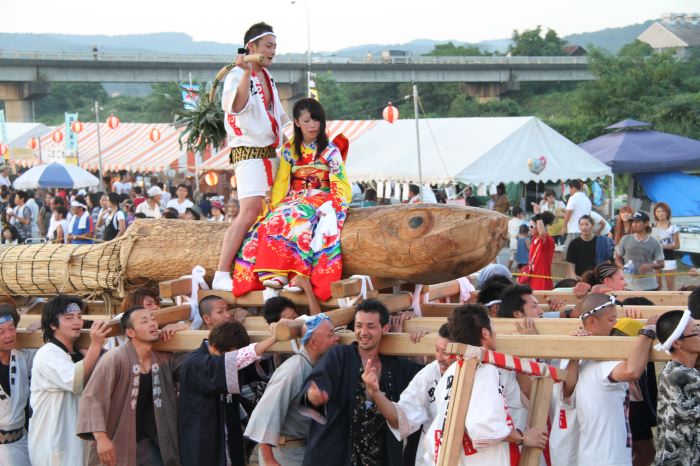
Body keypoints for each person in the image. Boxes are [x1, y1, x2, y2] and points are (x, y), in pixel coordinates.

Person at [233, 98, 351, 303]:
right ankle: (274, 273)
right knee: (274, 218)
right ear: (296, 122)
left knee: (299, 217)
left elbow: (340, 179)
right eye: (306, 121)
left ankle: (299, 275)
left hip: (320, 196)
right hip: (294, 197)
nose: (312, 125)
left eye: (316, 120)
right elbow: (281, 182)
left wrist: (335, 203)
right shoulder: (289, 149)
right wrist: (274, 205)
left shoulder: (330, 149)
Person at [213, 22, 290, 292]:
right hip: (248, 152)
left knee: (276, 210)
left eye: (275, 47)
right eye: (268, 46)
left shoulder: (268, 77)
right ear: (252, 48)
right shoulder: (237, 75)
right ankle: (221, 272)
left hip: (271, 153)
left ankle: (269, 269)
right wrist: (245, 71)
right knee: (249, 211)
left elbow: (280, 119)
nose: (272, 52)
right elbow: (236, 106)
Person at [421, 304, 548, 465]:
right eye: (493, 327)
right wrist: (523, 437)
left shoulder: (452, 371)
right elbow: (483, 427)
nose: (497, 333)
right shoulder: (485, 369)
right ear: (485, 333)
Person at [302, 299, 422, 465]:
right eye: (358, 326)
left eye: (370, 326)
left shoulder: (396, 366)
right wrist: (313, 396)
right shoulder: (340, 356)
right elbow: (314, 388)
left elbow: (424, 383)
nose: (363, 332)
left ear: (385, 328)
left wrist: (417, 342)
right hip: (335, 458)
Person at [561, 293, 659, 466]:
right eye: (611, 319)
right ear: (592, 322)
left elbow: (567, 391)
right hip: (607, 457)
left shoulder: (576, 359)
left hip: (593, 452)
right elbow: (632, 371)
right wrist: (648, 330)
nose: (616, 324)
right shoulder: (599, 362)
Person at [77, 306, 182, 466]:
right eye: (144, 321)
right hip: (118, 438)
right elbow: (92, 398)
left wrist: (182, 327)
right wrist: (101, 438)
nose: (153, 324)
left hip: (149, 441)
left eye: (153, 319)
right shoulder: (115, 359)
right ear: (130, 332)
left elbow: (190, 369)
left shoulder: (162, 358)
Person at [178, 320, 279, 466]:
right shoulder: (194, 362)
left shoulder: (221, 358)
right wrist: (274, 338)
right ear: (215, 345)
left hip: (227, 434)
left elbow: (251, 359)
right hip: (203, 437)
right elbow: (236, 360)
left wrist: (276, 333)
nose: (236, 360)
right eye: (232, 354)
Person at [245, 314, 339, 465]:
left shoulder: (316, 367)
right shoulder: (293, 370)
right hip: (283, 454)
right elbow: (265, 414)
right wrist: (269, 460)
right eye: (331, 334)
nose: (337, 338)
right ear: (314, 342)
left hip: (304, 450)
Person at [28, 295, 109, 466]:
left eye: (79, 317)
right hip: (54, 445)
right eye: (69, 318)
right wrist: (95, 346)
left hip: (76, 443)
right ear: (52, 324)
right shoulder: (47, 354)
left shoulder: (78, 352)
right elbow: (75, 381)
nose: (77, 322)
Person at [359, 324, 452, 466]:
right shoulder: (429, 374)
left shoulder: (483, 373)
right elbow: (400, 420)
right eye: (436, 350)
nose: (439, 358)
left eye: (445, 352)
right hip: (433, 459)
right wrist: (375, 393)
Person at [653, 310, 700, 466]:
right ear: (677, 343)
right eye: (695, 331)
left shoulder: (671, 368)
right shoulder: (681, 375)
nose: (699, 333)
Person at [0, 304, 35, 466]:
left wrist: (43, 327)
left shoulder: (23, 356)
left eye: (11, 328)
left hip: (22, 441)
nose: (8, 336)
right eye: (1, 332)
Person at [615, 211, 664, 291]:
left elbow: (661, 264)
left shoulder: (654, 242)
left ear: (646, 223)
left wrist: (650, 266)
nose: (634, 224)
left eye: (637, 222)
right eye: (633, 222)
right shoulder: (625, 239)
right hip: (629, 286)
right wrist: (622, 267)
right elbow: (617, 258)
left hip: (649, 286)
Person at [566, 215, 614, 280]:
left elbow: (607, 261)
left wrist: (606, 276)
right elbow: (571, 262)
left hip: (597, 277)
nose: (584, 227)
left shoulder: (601, 241)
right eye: (581, 225)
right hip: (579, 278)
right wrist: (573, 275)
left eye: (587, 224)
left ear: (592, 225)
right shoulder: (574, 243)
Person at [651, 202, 680, 291]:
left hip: (669, 258)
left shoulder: (672, 228)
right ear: (655, 213)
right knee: (656, 286)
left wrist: (662, 246)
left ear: (667, 212)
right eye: (658, 211)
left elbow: (677, 245)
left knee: (670, 287)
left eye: (663, 211)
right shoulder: (652, 226)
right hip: (655, 259)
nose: (660, 213)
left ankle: (673, 304)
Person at [527, 211, 556, 291]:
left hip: (542, 283)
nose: (530, 228)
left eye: (532, 226)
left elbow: (542, 233)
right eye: (529, 226)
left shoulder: (548, 241)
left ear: (539, 226)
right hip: (533, 281)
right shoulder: (534, 240)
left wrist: (538, 216)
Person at [561, 180, 591, 246]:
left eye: (569, 189)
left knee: (569, 252)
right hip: (585, 230)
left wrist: (564, 227)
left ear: (573, 188)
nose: (569, 191)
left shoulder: (573, 198)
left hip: (574, 229)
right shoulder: (587, 199)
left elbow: (568, 213)